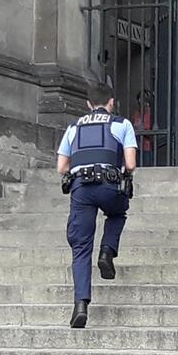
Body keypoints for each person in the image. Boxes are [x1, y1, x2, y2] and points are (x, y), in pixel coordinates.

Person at [56, 83, 138, 329]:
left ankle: (80, 305)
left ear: (88, 104)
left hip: (81, 189)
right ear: (111, 102)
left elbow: (61, 167)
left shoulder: (73, 127)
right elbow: (131, 164)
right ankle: (107, 251)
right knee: (118, 213)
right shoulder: (122, 124)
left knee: (80, 248)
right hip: (110, 185)